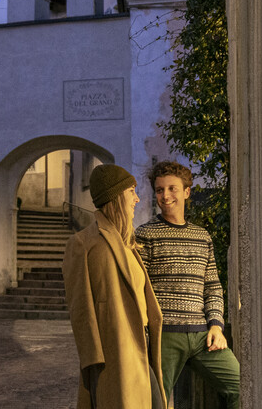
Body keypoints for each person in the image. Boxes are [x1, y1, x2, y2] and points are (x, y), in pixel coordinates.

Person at [136, 161, 240, 408]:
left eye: (172, 188)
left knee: (240, 386)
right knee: (156, 403)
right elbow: (138, 289)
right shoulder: (145, 234)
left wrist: (216, 326)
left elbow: (212, 287)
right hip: (165, 337)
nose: (165, 196)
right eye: (160, 190)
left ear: (186, 192)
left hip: (203, 336)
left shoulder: (202, 236)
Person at [64, 164, 166, 409]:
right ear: (117, 196)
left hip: (141, 345)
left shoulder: (127, 243)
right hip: (115, 352)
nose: (137, 198)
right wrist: (93, 362)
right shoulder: (84, 243)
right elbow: (80, 308)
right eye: (132, 191)